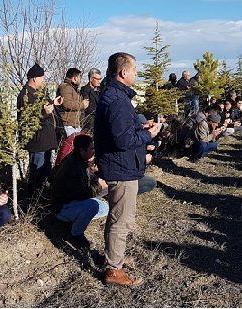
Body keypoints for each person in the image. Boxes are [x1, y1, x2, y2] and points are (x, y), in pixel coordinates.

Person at [94, 52, 158, 287]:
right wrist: (147, 134)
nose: (136, 74)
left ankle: (114, 257)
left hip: (117, 165)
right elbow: (123, 140)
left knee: (116, 216)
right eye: (134, 70)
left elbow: (119, 130)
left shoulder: (113, 95)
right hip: (121, 167)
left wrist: (139, 126)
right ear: (123, 73)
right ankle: (113, 269)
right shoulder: (118, 99)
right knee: (122, 220)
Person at [51, 134, 109, 249]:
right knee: (92, 207)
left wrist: (99, 178)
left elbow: (88, 181)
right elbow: (82, 194)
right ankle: (76, 234)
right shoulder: (73, 167)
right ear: (82, 150)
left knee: (104, 208)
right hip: (63, 208)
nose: (94, 152)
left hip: (74, 201)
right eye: (92, 149)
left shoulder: (82, 161)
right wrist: (99, 185)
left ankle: (77, 218)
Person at [16, 64, 61, 200]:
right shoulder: (25, 95)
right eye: (42, 77)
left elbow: (44, 107)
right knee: (37, 171)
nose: (44, 80)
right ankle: (34, 199)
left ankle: (44, 197)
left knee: (45, 171)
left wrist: (53, 103)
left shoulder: (40, 93)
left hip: (46, 140)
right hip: (37, 141)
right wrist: (44, 112)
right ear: (34, 78)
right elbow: (26, 118)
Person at [57, 68, 89, 136]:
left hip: (75, 125)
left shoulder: (74, 89)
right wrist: (82, 105)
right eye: (79, 77)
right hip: (68, 125)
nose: (80, 80)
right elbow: (67, 104)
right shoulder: (65, 87)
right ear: (74, 78)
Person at [80, 68, 102, 134]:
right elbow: (87, 107)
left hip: (98, 122)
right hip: (90, 122)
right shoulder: (85, 90)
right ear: (91, 79)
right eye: (97, 79)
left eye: (100, 79)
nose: (99, 81)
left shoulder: (99, 90)